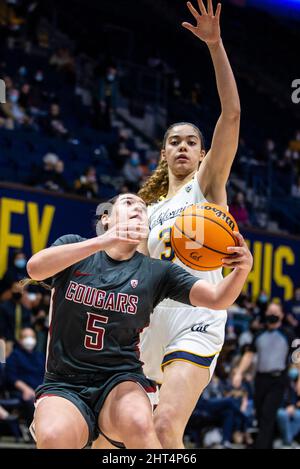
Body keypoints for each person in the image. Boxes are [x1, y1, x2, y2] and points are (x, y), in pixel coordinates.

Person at [26, 193, 252, 449]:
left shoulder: (156, 271)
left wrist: (241, 270)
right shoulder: (74, 247)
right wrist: (104, 241)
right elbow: (35, 269)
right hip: (66, 381)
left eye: (143, 208)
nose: (138, 208)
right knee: (55, 437)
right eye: (128, 203)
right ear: (106, 218)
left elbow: (217, 298)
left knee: (139, 422)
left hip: (119, 378)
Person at [115, 0, 240, 449]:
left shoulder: (206, 185)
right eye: (175, 142)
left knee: (167, 427)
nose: (183, 147)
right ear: (163, 153)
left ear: (203, 154)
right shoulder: (144, 209)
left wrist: (215, 45)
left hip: (198, 315)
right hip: (151, 322)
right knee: (130, 436)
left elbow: (231, 116)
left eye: (192, 141)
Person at [233, 302, 300, 449]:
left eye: (275, 312)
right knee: (261, 414)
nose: (272, 315)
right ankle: (267, 444)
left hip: (278, 380)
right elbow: (249, 355)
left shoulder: (288, 334)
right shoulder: (259, 335)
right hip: (260, 379)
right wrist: (238, 372)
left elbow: (297, 357)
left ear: (282, 315)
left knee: (267, 414)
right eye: (270, 311)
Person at [5, 327, 45, 427]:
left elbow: (46, 375)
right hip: (21, 391)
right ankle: (33, 430)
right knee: (31, 399)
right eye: (26, 337)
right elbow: (11, 377)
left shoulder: (40, 356)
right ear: (20, 340)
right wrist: (26, 389)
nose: (29, 339)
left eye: (32, 337)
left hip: (40, 390)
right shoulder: (14, 356)